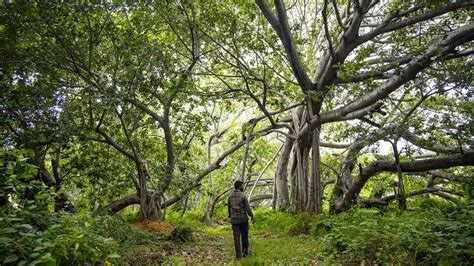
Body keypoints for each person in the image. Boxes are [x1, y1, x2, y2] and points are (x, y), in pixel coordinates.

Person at [227, 180, 255, 259]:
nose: (243, 187)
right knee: (244, 235)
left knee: (236, 237)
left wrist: (230, 215)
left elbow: (229, 208)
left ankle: (238, 256)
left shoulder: (230, 196)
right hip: (243, 219)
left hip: (234, 220)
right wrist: (252, 216)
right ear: (239, 186)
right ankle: (245, 252)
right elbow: (248, 208)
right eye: (242, 185)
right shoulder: (243, 196)